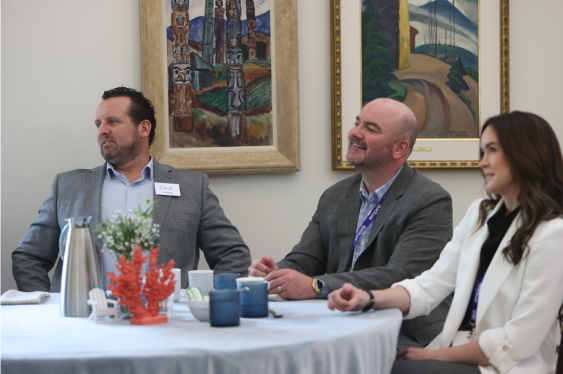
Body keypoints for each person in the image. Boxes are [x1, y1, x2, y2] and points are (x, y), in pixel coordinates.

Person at [328, 111, 563, 374]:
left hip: (505, 366)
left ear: (526, 155)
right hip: (453, 350)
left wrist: (439, 356)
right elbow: (432, 284)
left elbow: (518, 339)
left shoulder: (553, 234)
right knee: (363, 363)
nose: (483, 162)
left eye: (492, 151)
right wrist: (368, 298)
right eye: (482, 152)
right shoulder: (479, 214)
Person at [250, 98, 453, 349]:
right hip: (341, 321)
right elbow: (305, 258)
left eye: (371, 128)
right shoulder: (335, 195)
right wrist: (274, 274)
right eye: (357, 123)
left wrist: (317, 286)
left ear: (399, 149)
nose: (354, 133)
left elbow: (401, 274)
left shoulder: (429, 200)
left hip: (403, 333)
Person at [12, 87, 251, 292]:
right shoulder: (68, 186)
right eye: (98, 124)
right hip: (85, 326)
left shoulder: (191, 187)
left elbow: (232, 254)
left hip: (167, 325)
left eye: (112, 121)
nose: (102, 130)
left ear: (143, 129)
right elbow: (29, 257)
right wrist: (48, 308)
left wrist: (207, 304)